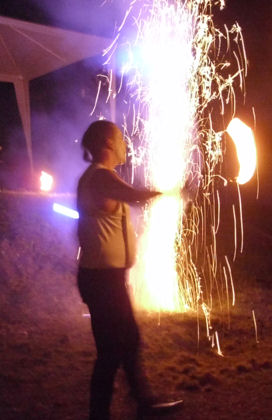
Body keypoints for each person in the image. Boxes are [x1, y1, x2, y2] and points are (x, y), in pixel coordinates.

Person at [76, 120, 181, 419]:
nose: (125, 144)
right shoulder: (99, 178)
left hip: (107, 278)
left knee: (128, 340)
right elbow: (134, 195)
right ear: (107, 144)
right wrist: (174, 192)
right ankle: (102, 413)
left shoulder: (101, 178)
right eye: (120, 138)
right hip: (101, 280)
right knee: (112, 351)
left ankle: (144, 402)